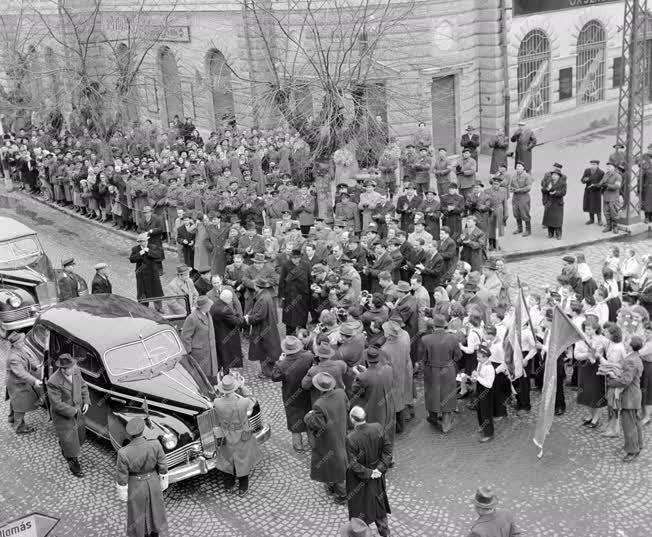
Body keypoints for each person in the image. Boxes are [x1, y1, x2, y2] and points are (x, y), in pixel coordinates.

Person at [115, 417, 169, 537]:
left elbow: (122, 476)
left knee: (137, 514)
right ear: (143, 430)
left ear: (129, 434)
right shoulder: (155, 444)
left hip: (135, 485)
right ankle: (156, 533)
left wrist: (123, 493)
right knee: (156, 510)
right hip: (154, 482)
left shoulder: (123, 452)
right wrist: (163, 481)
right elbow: (163, 466)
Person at [345, 406, 392, 537]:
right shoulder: (377, 427)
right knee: (379, 505)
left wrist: (370, 473)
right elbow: (388, 451)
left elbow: (353, 464)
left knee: (360, 509)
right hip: (377, 476)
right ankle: (385, 533)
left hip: (359, 481)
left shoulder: (351, 438)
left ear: (352, 420)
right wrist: (379, 469)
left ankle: (364, 534)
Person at [304, 372, 349, 505]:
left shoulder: (319, 403)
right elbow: (347, 406)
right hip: (340, 431)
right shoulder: (341, 393)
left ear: (319, 388)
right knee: (337, 460)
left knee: (332, 463)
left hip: (328, 438)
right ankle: (335, 488)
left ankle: (341, 494)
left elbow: (318, 424)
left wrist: (308, 416)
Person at [212, 374, 262, 494]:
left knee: (227, 460)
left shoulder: (217, 402)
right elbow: (253, 399)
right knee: (242, 460)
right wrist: (242, 386)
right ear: (234, 388)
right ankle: (242, 488)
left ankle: (228, 486)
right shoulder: (244, 402)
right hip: (242, 434)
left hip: (226, 434)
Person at [47, 353, 90, 477]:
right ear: (63, 369)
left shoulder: (76, 370)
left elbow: (83, 386)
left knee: (79, 437)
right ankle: (75, 468)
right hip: (63, 417)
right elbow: (57, 405)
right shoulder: (53, 381)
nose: (73, 369)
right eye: (70, 368)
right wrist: (74, 411)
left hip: (77, 413)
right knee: (70, 445)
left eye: (73, 366)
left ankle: (64, 445)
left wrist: (86, 401)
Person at [271, 336, 315, 452]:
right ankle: (313, 444)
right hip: (307, 394)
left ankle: (298, 447)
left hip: (291, 396)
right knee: (310, 418)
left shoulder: (282, 365)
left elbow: (275, 377)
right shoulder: (309, 357)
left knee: (294, 421)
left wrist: (280, 361)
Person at [421, 314, 461, 433]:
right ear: (445, 325)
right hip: (448, 370)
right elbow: (458, 356)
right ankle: (446, 424)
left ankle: (432, 417)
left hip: (431, 370)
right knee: (447, 395)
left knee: (432, 393)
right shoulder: (452, 338)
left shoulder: (425, 339)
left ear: (433, 325)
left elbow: (423, 358)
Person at [607, 336, 644, 462]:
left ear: (631, 345)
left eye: (627, 341)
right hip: (635, 395)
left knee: (629, 425)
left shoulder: (631, 360)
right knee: (636, 422)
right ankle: (638, 445)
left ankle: (632, 450)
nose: (625, 343)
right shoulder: (636, 357)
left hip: (629, 397)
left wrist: (611, 381)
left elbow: (625, 381)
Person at [351, 346, 396, 443]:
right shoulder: (388, 369)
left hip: (374, 410)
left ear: (367, 360)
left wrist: (358, 374)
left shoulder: (363, 377)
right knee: (387, 433)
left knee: (374, 437)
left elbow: (355, 390)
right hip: (388, 407)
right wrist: (366, 372)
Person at [5, 332, 43, 434]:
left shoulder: (19, 349)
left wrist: (36, 366)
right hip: (16, 384)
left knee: (15, 402)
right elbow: (21, 373)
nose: (23, 343)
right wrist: (34, 380)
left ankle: (11, 418)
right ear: (14, 344)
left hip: (17, 382)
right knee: (20, 405)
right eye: (20, 342)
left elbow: (28, 358)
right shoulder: (13, 358)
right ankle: (19, 427)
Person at [245, 277, 282, 378]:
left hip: (263, 329)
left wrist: (248, 319)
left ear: (257, 287)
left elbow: (259, 316)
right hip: (268, 327)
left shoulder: (262, 298)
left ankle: (267, 373)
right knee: (270, 350)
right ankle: (271, 370)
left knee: (263, 351)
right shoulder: (266, 295)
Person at [381, 320, 413, 433]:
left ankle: (399, 427)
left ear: (389, 334)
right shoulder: (403, 342)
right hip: (402, 372)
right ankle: (405, 417)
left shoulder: (384, 349)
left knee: (394, 402)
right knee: (402, 395)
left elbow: (385, 368)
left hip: (392, 377)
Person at [181, 295, 219, 383]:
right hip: (200, 354)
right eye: (209, 305)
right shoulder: (192, 318)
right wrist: (189, 353)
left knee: (210, 373)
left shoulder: (208, 314)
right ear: (203, 307)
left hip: (210, 350)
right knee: (201, 376)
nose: (211, 306)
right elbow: (185, 336)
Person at [210, 289, 244, 373]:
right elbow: (236, 322)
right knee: (226, 357)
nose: (232, 300)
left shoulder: (216, 304)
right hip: (225, 335)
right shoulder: (225, 310)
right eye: (231, 298)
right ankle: (226, 377)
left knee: (222, 356)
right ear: (227, 299)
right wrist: (244, 319)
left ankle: (223, 374)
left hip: (218, 332)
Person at [279, 248, 312, 333]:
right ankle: (289, 333)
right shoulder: (286, 265)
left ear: (300, 257)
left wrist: (311, 291)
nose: (295, 260)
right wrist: (282, 295)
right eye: (293, 258)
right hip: (290, 294)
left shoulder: (306, 265)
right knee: (290, 316)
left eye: (297, 258)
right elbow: (282, 280)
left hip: (303, 295)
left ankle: (302, 334)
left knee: (302, 316)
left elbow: (310, 279)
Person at [130, 233, 164, 303]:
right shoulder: (135, 249)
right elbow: (132, 259)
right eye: (143, 241)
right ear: (139, 242)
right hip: (142, 274)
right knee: (142, 292)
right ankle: (144, 307)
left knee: (156, 291)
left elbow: (158, 255)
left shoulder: (153, 247)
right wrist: (140, 253)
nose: (145, 242)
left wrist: (149, 251)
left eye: (146, 241)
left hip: (153, 273)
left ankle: (159, 307)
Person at [508, 161, 532, 237]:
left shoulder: (527, 176)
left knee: (524, 213)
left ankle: (528, 230)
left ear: (523, 168)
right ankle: (519, 228)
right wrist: (511, 189)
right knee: (516, 213)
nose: (517, 168)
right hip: (515, 197)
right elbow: (511, 185)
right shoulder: (514, 175)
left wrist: (519, 190)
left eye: (519, 166)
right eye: (517, 166)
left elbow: (529, 187)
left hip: (523, 197)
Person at [541, 169, 566, 240]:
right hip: (549, 203)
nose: (554, 176)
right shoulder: (548, 182)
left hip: (558, 203)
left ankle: (558, 234)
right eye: (553, 174)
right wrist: (547, 190)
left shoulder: (562, 183)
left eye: (556, 175)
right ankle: (550, 233)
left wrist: (555, 193)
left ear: (559, 176)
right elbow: (543, 190)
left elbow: (563, 192)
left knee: (557, 220)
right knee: (549, 219)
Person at [599, 161, 622, 234]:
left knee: (614, 212)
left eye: (610, 167)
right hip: (606, 196)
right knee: (606, 212)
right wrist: (598, 185)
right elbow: (601, 182)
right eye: (607, 166)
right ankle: (609, 226)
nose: (608, 168)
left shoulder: (618, 176)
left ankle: (615, 226)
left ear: (614, 168)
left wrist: (607, 185)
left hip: (613, 197)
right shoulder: (606, 175)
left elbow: (617, 186)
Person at [581, 159, 604, 226]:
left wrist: (595, 185)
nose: (592, 166)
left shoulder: (601, 172)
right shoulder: (587, 171)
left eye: (594, 164)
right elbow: (582, 180)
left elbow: (602, 183)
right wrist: (585, 180)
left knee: (597, 206)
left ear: (597, 165)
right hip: (588, 190)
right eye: (592, 164)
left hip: (596, 191)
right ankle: (591, 219)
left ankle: (599, 220)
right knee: (589, 204)